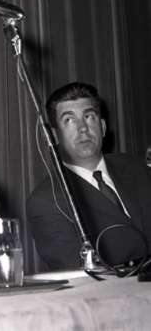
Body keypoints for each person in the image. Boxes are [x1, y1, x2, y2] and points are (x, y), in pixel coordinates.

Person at [27, 82, 151, 270]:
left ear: (102, 126)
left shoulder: (138, 167)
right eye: (69, 120)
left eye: (89, 117)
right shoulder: (46, 201)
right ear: (53, 136)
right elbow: (80, 274)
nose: (83, 128)